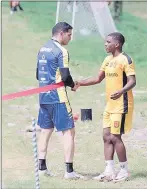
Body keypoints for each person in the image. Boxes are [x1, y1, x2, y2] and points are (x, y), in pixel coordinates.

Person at [74, 32, 136, 182]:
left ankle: (124, 170)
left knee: (115, 137)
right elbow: (97, 78)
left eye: (108, 42)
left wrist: (121, 91)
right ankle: (109, 170)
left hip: (122, 104)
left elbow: (132, 81)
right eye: (105, 41)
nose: (105, 44)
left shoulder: (125, 59)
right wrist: (80, 83)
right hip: (110, 104)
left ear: (117, 44)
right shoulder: (107, 60)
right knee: (106, 137)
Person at [36, 22, 83, 179]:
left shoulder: (42, 49)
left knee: (45, 130)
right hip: (58, 97)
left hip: (43, 96)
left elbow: (38, 74)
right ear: (61, 33)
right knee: (69, 131)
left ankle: (41, 168)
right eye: (69, 34)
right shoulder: (62, 51)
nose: (70, 38)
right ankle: (69, 172)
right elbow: (64, 76)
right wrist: (73, 85)